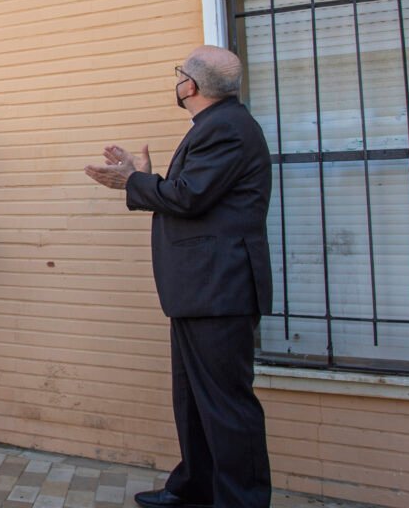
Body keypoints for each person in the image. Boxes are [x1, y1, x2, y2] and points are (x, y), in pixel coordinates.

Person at [85, 46, 272, 508]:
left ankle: (240, 501)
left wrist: (133, 180)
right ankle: (195, 488)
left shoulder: (226, 129)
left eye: (180, 74)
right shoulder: (216, 127)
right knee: (192, 400)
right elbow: (189, 198)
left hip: (219, 291)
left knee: (226, 408)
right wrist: (146, 180)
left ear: (191, 86)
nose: (178, 81)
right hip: (199, 290)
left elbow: (189, 198)